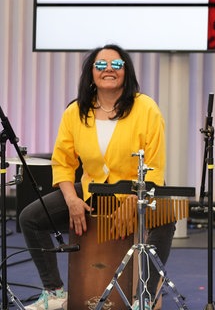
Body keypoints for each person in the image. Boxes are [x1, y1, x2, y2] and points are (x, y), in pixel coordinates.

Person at [19, 44, 175, 310]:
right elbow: (63, 163)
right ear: (91, 73)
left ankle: (144, 297)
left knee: (166, 218)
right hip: (92, 190)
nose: (109, 70)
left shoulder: (146, 108)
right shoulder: (75, 111)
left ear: (127, 71)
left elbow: (155, 166)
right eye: (101, 65)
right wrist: (71, 199)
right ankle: (55, 293)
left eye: (116, 64)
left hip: (135, 190)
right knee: (30, 218)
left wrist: (131, 201)